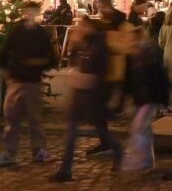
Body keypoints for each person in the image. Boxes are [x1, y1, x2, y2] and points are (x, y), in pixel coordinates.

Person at [49, 18, 122, 182]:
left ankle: (119, 153)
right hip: (80, 97)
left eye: (83, 25)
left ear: (91, 28)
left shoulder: (99, 47)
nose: (79, 28)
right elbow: (76, 63)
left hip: (92, 97)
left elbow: (96, 75)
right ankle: (65, 170)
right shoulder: (86, 44)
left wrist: (79, 79)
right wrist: (75, 45)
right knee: (72, 133)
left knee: (102, 131)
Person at [0, 2, 54, 167]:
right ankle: (9, 152)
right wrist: (5, 72)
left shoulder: (41, 33)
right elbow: (4, 53)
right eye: (28, 11)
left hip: (32, 80)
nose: (30, 14)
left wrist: (38, 63)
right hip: (17, 80)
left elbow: (51, 57)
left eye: (33, 11)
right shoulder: (17, 31)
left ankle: (39, 150)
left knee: (35, 118)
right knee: (12, 118)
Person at [121, 25, 169, 176]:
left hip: (150, 97)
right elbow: (128, 80)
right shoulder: (132, 56)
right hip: (140, 98)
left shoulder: (148, 54)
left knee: (138, 127)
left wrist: (163, 97)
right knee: (145, 129)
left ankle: (138, 160)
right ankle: (148, 159)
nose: (129, 42)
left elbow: (159, 77)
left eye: (131, 39)